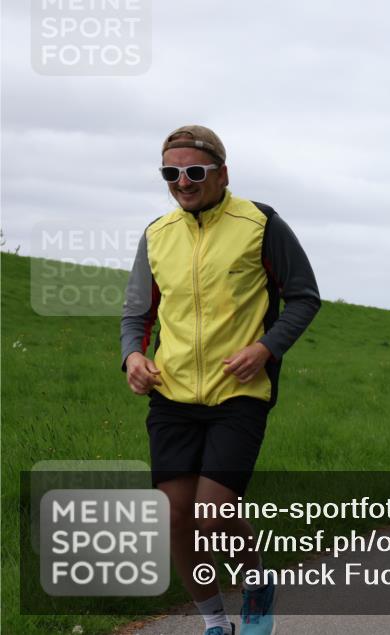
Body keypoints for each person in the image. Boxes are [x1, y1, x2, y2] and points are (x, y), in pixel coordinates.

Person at [121, 125, 321, 635]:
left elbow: (303, 296)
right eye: (171, 173)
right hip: (172, 394)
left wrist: (265, 348)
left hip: (240, 392)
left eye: (194, 171)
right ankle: (215, 622)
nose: (182, 182)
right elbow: (136, 314)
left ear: (222, 173)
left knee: (212, 516)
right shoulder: (157, 234)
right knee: (175, 519)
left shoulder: (260, 223)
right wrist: (132, 359)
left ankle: (256, 580)